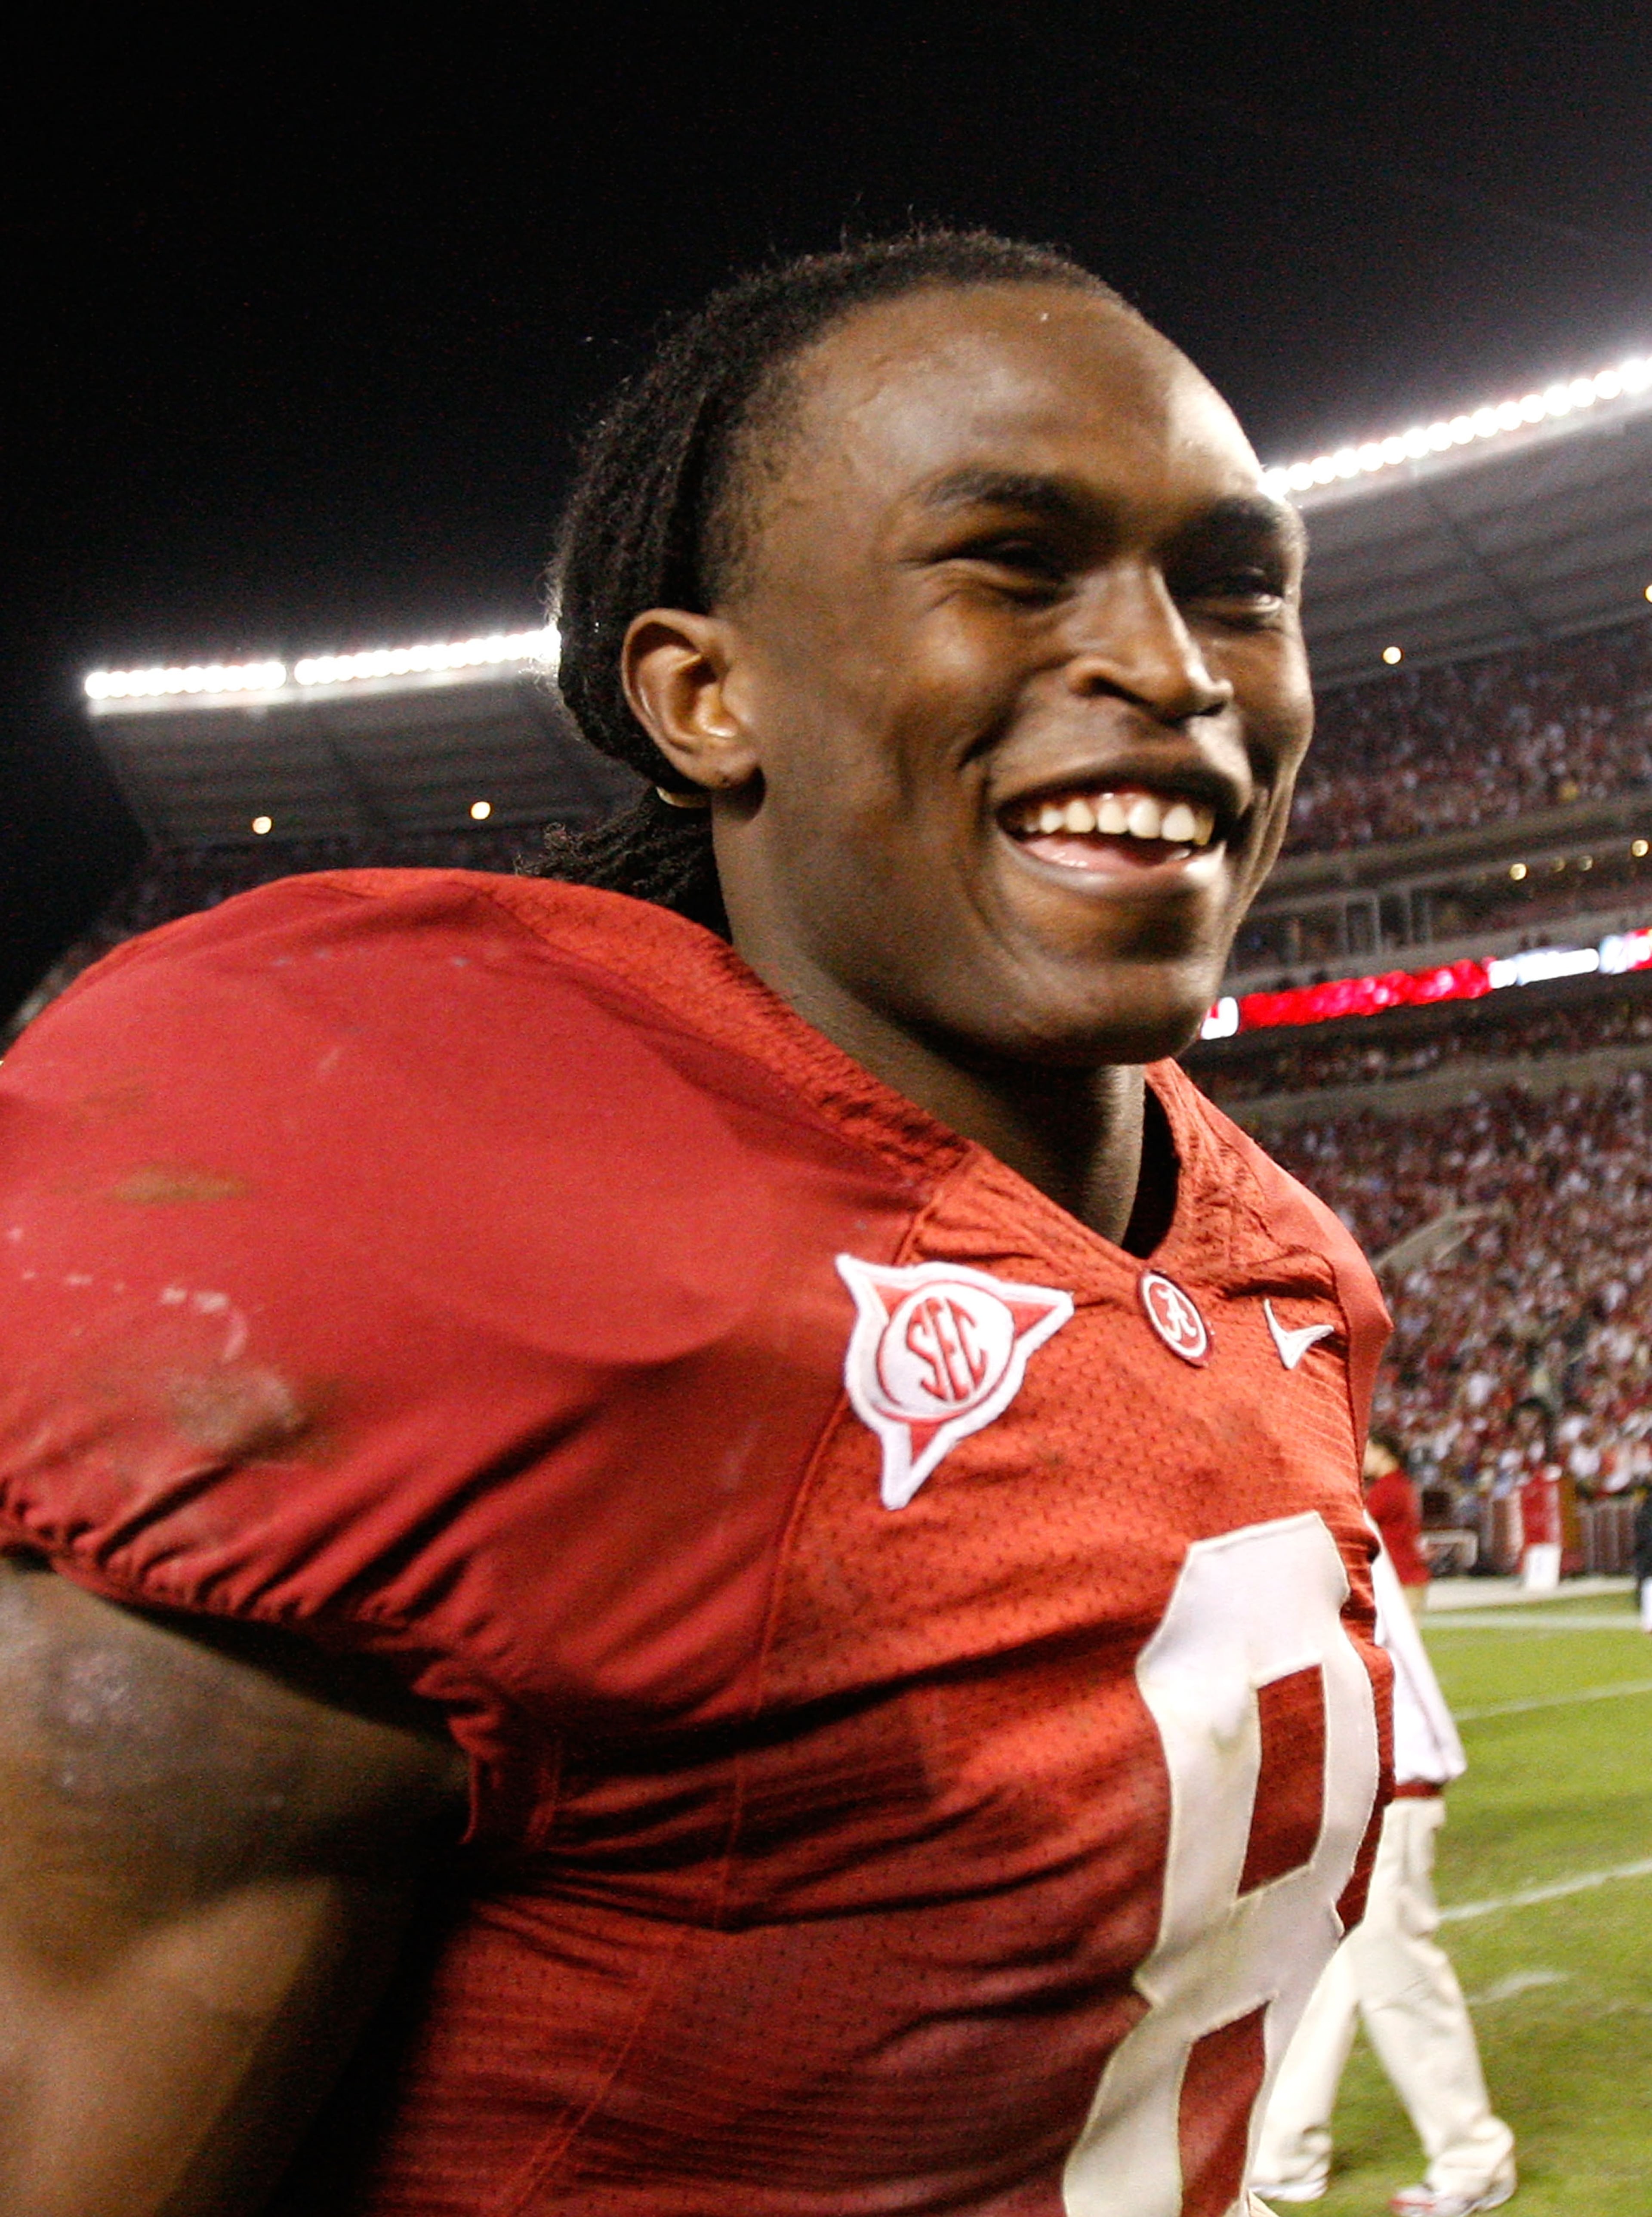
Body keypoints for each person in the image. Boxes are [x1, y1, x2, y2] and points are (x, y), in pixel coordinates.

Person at [0, 232, 1392, 2217]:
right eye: (1010, 560)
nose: (1172, 668)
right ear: (703, 695)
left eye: (1236, 585)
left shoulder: (1283, 1271)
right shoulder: (447, 1243)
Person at [1251, 1540, 1516, 2216]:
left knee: (1398, 1973)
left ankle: (1473, 2157)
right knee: (1321, 1970)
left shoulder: (1316, 1506)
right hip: (1344, 1776)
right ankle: (1286, 2151)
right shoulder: (1302, 1491)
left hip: (1385, 1772)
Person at [1365, 1431, 1431, 1618]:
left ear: (1384, 1453)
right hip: (1407, 1575)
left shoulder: (1387, 1489)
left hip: (1398, 1577)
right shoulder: (1401, 1483)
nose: (1364, 1458)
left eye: (1369, 1451)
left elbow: (1358, 1524)